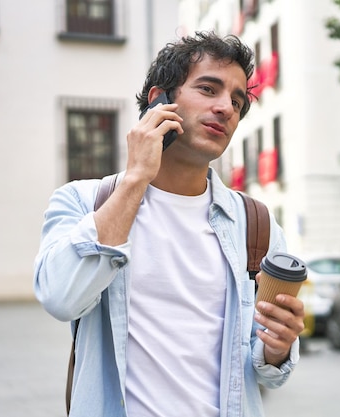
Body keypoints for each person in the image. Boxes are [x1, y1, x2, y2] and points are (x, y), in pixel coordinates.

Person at [34, 31, 305, 417]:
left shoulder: (255, 223)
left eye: (236, 99)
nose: (226, 108)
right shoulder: (81, 201)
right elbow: (60, 297)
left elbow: (268, 373)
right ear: (159, 100)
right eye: (208, 89)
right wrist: (135, 180)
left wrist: (277, 347)